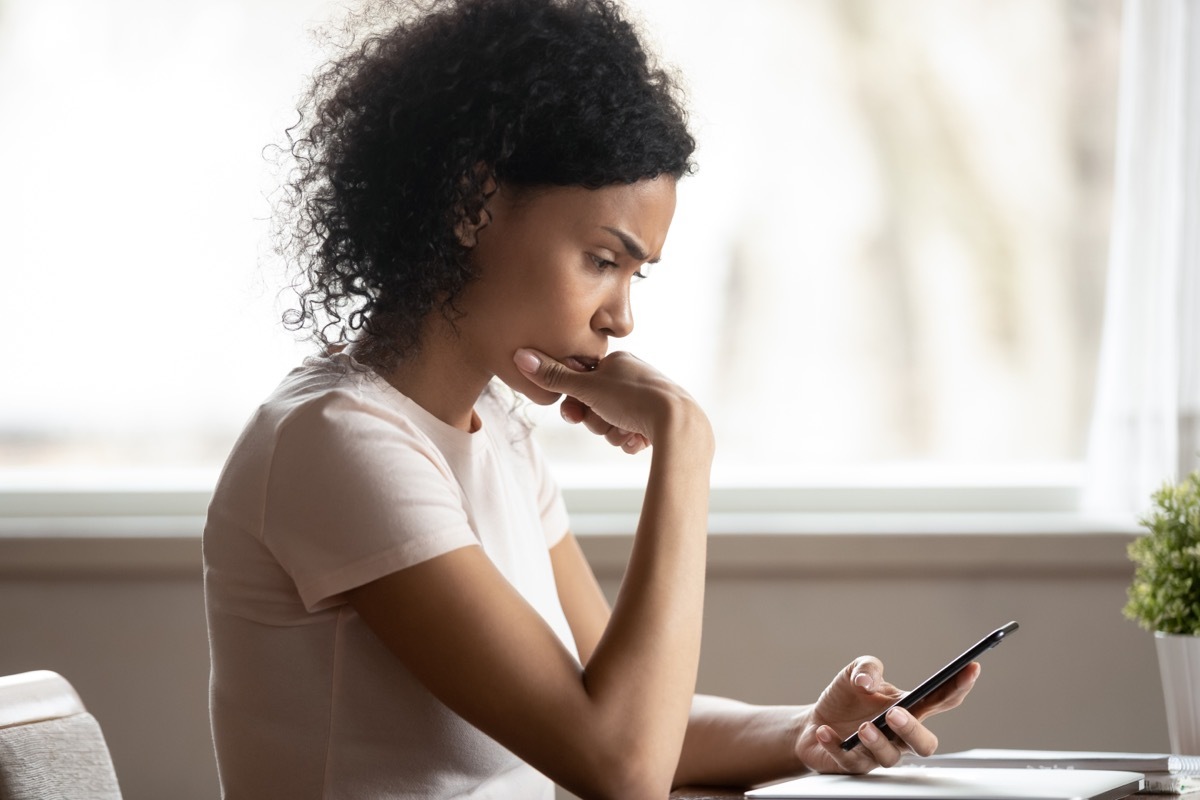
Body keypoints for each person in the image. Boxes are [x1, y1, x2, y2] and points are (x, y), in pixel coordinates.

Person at [202, 0, 980, 797]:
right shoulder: (336, 444)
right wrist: (684, 442)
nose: (621, 317)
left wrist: (812, 730)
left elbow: (622, 715)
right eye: (603, 259)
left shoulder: (496, 433)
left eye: (634, 273)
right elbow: (620, 764)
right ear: (472, 203)